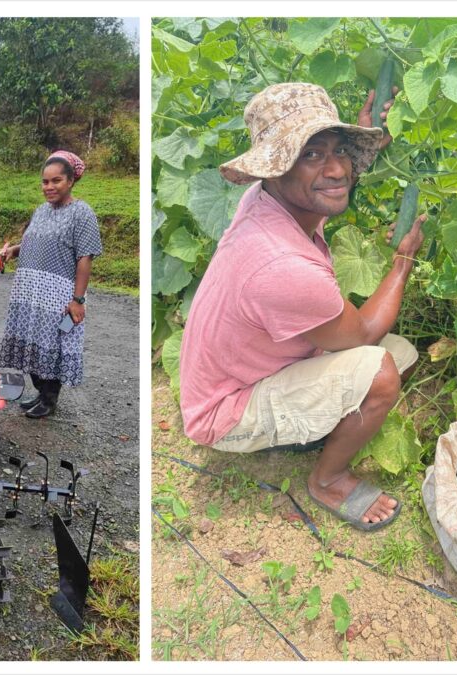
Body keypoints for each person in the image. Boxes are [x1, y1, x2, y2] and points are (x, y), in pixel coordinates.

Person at [179, 82, 423, 531]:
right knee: (382, 369)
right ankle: (327, 479)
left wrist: (362, 144)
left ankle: (316, 427)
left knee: (403, 352)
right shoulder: (281, 263)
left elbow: (328, 181)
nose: (335, 169)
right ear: (274, 168)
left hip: (257, 367)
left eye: (339, 151)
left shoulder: (268, 200)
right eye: (311, 154)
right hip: (225, 410)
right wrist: (403, 261)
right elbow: (364, 333)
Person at [0, 150, 102, 421]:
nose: (49, 187)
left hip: (58, 293)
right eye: (45, 182)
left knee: (51, 346)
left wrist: (77, 300)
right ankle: (40, 394)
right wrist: (14, 251)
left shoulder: (82, 213)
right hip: (29, 290)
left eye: (56, 181)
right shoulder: (41, 211)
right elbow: (37, 242)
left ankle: (49, 399)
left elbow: (84, 257)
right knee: (32, 343)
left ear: (71, 181)